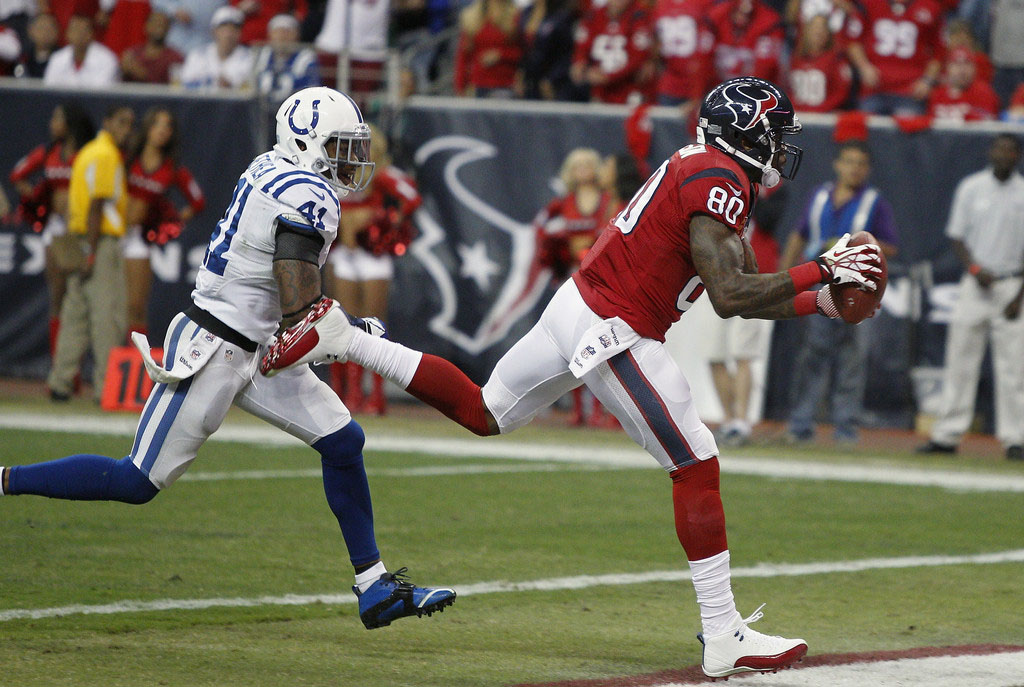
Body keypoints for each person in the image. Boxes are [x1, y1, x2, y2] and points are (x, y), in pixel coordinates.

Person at [262, 77, 884, 679]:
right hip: (615, 327)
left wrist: (818, 300)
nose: (781, 145)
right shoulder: (721, 179)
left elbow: (744, 285)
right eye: (773, 132)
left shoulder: (706, 167)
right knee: (696, 462)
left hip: (577, 306)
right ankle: (723, 634)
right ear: (744, 134)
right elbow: (728, 295)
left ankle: (348, 342)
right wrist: (822, 269)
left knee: (487, 412)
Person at [0, 87, 456, 630]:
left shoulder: (275, 166)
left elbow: (293, 311)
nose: (350, 160)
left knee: (343, 440)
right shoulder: (307, 194)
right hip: (213, 349)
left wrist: (329, 325)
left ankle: (374, 587)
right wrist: (354, 329)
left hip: (260, 347)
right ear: (308, 144)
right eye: (340, 146)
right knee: (136, 482)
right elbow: (301, 310)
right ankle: (5, 478)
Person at [779, 140, 897, 443]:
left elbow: (891, 246)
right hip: (820, 282)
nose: (854, 169)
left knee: (851, 357)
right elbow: (800, 235)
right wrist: (783, 278)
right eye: (849, 162)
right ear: (837, 164)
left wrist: (855, 244)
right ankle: (801, 423)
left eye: (860, 163)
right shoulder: (819, 196)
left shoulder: (874, 201)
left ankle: (845, 427)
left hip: (857, 288)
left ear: (867, 169)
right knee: (813, 354)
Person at [918, 134, 1024, 462]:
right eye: (998, 149)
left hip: (1012, 285)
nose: (1002, 155)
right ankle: (947, 434)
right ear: (990, 152)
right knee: (960, 360)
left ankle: (1015, 438)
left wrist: (1018, 295)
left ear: (1017, 156)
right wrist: (975, 269)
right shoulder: (971, 187)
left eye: (1009, 150)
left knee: (1014, 367)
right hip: (975, 284)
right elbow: (957, 236)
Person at [328, 123, 420, 414]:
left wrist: (384, 221)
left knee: (373, 325)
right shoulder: (334, 172)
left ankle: (375, 394)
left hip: (372, 256)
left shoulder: (381, 174)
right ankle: (348, 393)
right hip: (344, 254)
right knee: (342, 324)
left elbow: (411, 197)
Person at [46, 105, 134, 402]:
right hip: (100, 241)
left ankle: (59, 383)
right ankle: (105, 388)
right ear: (106, 121)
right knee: (106, 317)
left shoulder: (86, 152)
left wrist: (79, 244)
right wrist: (92, 253)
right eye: (121, 122)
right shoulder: (106, 154)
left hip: (80, 235)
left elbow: (76, 203)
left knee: (75, 315)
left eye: (130, 124)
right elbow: (98, 204)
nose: (127, 130)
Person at [533, 147, 615, 426]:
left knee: (605, 341)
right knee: (574, 343)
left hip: (604, 278)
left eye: (587, 164)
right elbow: (541, 229)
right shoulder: (562, 202)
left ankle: (606, 410)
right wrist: (559, 247)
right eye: (576, 165)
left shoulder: (608, 201)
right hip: (573, 278)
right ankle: (579, 408)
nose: (582, 170)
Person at [9, 103, 97, 361]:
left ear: (70, 122)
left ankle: (76, 364)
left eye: (57, 118)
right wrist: (40, 199)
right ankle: (60, 366)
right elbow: (18, 175)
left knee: (80, 299)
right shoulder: (49, 152)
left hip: (80, 229)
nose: (52, 123)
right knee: (58, 298)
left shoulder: (86, 154)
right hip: (56, 229)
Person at [123, 107, 206, 337]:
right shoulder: (128, 157)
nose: (162, 130)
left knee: (136, 305)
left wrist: (169, 224)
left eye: (168, 126)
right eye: (157, 124)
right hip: (113, 232)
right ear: (148, 127)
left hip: (137, 240)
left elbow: (198, 201)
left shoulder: (171, 168)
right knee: (111, 304)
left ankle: (135, 363)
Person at [848, 0, 943, 116]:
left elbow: (940, 52)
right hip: (874, 89)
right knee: (864, 129)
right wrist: (864, 67)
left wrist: (927, 80)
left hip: (910, 92)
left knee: (911, 128)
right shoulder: (868, 4)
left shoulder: (930, 7)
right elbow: (853, 41)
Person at [571, 0, 655, 104]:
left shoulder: (639, 16)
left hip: (629, 89)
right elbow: (582, 44)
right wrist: (579, 62)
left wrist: (608, 76)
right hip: (600, 91)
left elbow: (638, 57)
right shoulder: (594, 14)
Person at [704, 0, 785, 84]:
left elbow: (765, 66)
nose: (741, 18)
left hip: (754, 89)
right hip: (717, 85)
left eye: (747, 15)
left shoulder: (770, 24)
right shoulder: (715, 16)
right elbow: (702, 58)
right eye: (738, 13)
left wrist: (750, 91)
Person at [454, 0, 522, 98]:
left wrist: (501, 55)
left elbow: (521, 53)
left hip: (506, 85)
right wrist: (460, 87)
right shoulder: (471, 18)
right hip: (478, 85)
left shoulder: (516, 16)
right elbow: (463, 56)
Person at [788, 14, 854, 113]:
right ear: (806, 31)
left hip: (825, 117)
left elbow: (841, 93)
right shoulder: (795, 59)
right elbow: (788, 90)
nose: (818, 32)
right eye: (814, 28)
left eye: (822, 29)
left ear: (828, 34)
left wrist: (819, 110)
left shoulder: (836, 60)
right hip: (798, 116)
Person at [178, 5, 253, 91]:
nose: (228, 34)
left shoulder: (249, 58)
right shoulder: (198, 55)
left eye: (233, 29)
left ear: (240, 33)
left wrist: (231, 87)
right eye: (224, 28)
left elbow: (252, 92)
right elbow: (185, 85)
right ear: (214, 31)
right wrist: (212, 84)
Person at [254, 13, 320, 103]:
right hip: (263, 109)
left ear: (297, 35)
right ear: (270, 35)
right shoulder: (262, 54)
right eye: (278, 32)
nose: (282, 37)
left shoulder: (306, 57)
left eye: (287, 32)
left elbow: (312, 88)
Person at [42, 13, 120, 89]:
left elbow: (101, 94)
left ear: (92, 34)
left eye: (83, 30)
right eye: (74, 30)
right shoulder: (57, 58)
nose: (78, 34)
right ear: (67, 34)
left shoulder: (107, 59)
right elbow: (49, 90)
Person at [927, 47, 1001, 121]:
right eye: (957, 64)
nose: (962, 70)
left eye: (967, 64)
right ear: (948, 68)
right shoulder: (937, 95)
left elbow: (986, 122)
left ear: (974, 68)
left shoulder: (984, 93)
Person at [120, 10, 186, 84]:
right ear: (145, 26)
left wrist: (143, 75)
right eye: (155, 23)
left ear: (168, 29)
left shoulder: (175, 58)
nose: (159, 27)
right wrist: (123, 70)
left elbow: (175, 88)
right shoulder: (133, 54)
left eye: (163, 24)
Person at [15, 11, 60, 79]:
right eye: (41, 28)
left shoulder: (62, 58)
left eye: (49, 29)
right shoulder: (24, 58)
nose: (45, 33)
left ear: (57, 32)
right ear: (30, 31)